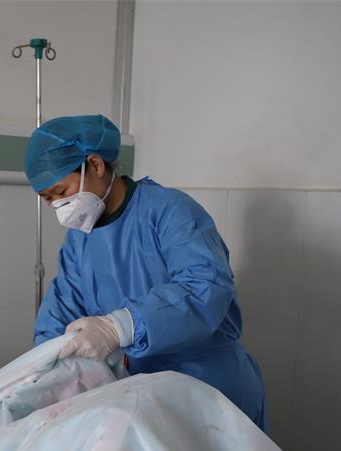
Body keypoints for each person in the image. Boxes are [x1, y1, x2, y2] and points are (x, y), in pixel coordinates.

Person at [25, 114, 266, 429]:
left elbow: (206, 287)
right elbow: (62, 309)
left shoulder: (170, 211)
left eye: (61, 191)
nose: (57, 205)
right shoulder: (80, 240)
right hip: (142, 392)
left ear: (95, 165)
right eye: (48, 199)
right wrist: (43, 365)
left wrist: (121, 326)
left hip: (208, 388)